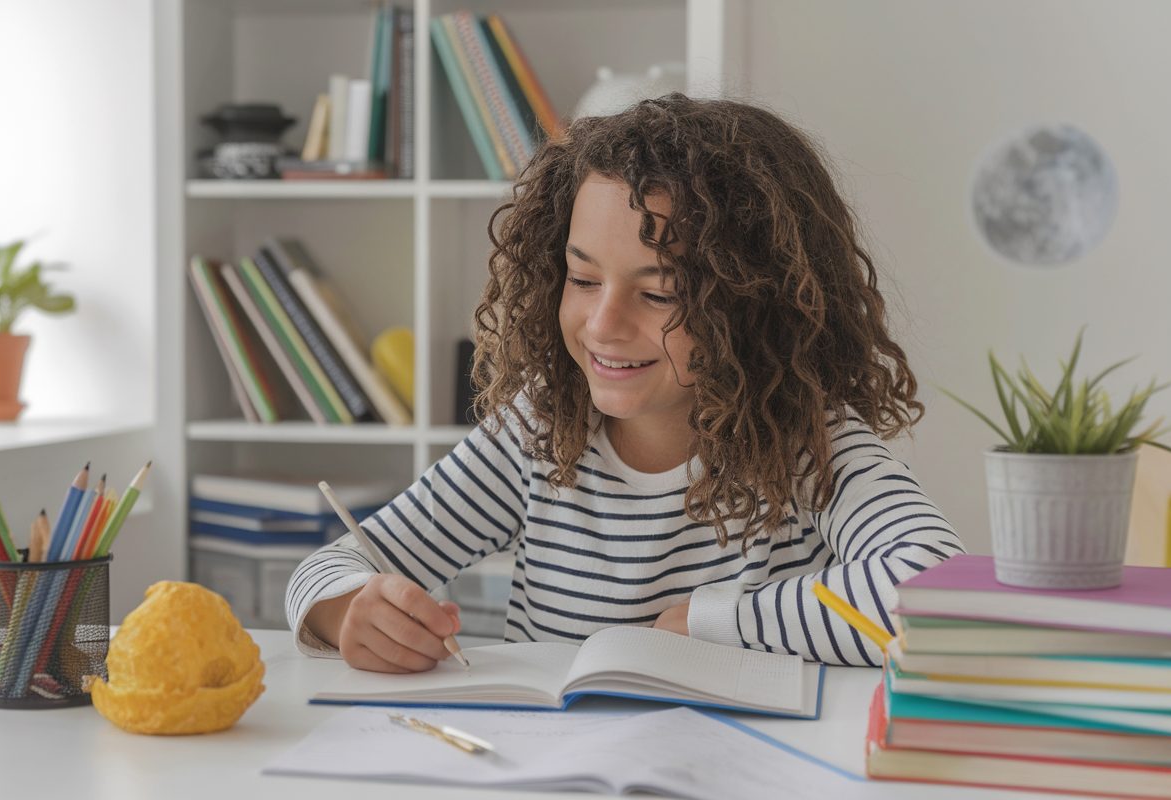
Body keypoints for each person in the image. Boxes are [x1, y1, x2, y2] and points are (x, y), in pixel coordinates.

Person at [286, 93, 964, 673]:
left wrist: (706, 622)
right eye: (583, 281)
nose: (604, 325)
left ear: (758, 305)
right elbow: (325, 569)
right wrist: (347, 612)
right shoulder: (539, 430)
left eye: (661, 293)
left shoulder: (808, 440)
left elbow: (938, 592)